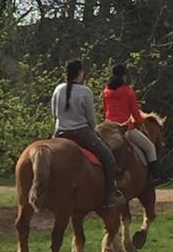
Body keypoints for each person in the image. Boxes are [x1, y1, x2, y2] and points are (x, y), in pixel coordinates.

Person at [51, 59, 125, 207]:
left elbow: (54, 114)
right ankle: (109, 197)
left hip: (59, 132)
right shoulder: (85, 91)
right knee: (108, 158)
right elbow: (91, 118)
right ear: (80, 73)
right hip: (81, 132)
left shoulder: (58, 89)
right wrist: (95, 129)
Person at [102, 64, 164, 185]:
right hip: (125, 128)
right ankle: (156, 177)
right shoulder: (128, 91)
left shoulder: (106, 91)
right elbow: (135, 113)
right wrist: (140, 123)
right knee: (150, 148)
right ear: (124, 77)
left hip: (108, 129)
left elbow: (105, 110)